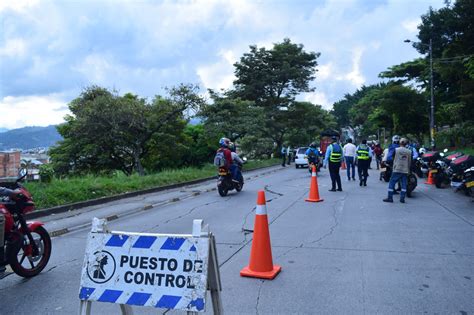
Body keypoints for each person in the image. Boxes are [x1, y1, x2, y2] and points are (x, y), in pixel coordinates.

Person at [383, 138, 412, 203]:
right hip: (405, 170)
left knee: (392, 183)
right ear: (406, 144)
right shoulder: (409, 151)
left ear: (400, 143)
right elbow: (409, 162)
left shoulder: (396, 150)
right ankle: (402, 199)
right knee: (404, 184)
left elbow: (391, 158)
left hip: (397, 169)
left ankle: (390, 198)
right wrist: (408, 170)